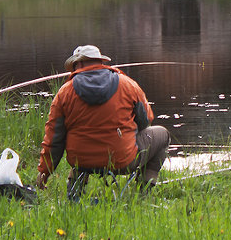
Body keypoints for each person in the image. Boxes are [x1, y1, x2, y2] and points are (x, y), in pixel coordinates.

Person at [37, 44, 170, 198]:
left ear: (78, 64)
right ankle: (144, 193)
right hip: (123, 160)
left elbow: (54, 139)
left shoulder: (64, 93)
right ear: (100, 62)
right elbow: (146, 121)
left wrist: (44, 172)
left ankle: (75, 192)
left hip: (81, 161)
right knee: (163, 134)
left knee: (81, 146)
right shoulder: (128, 85)